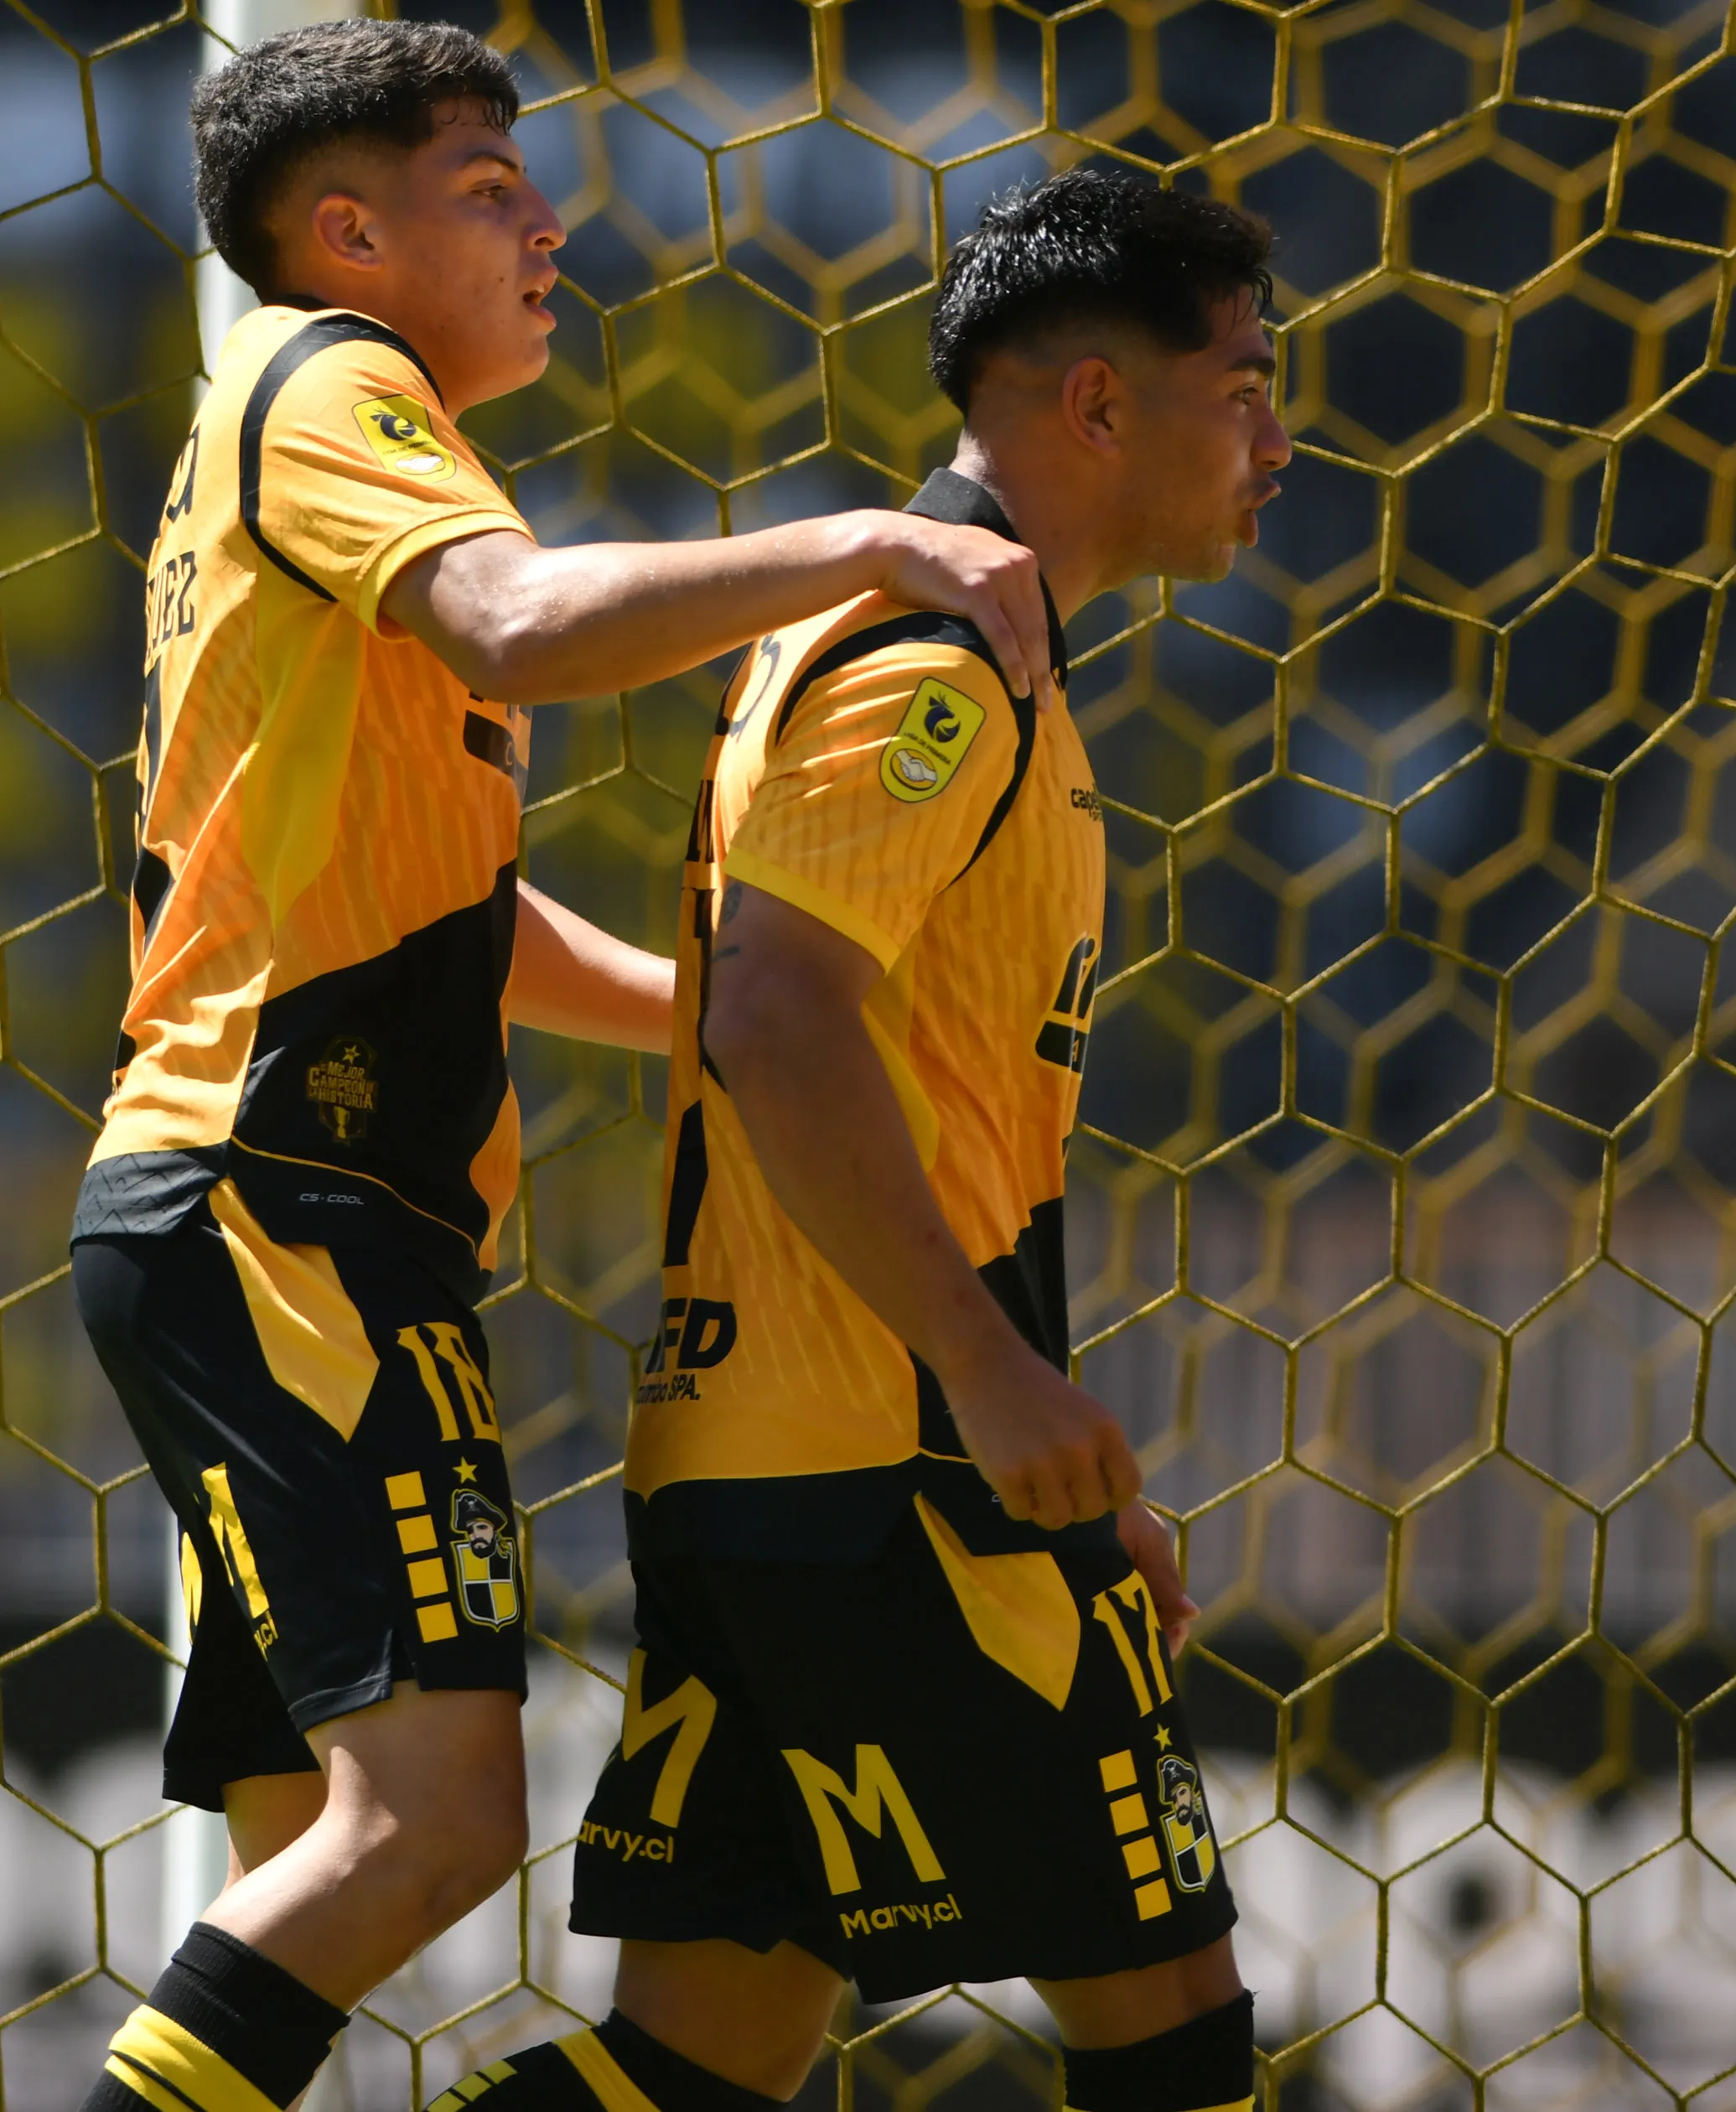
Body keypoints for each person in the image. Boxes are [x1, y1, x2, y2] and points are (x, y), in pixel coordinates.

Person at [76, 23, 1061, 2112]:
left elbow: (464, 919)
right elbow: (522, 622)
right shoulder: (335, 385)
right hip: (288, 1195)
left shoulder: (307, 444)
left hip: (248, 1196)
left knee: (312, 1869)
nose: (548, 220)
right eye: (483, 187)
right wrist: (870, 548)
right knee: (432, 1821)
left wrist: (720, 1027)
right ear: (344, 233)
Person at [419, 169, 1289, 2112]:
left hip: (786, 1461)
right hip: (888, 1462)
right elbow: (776, 1019)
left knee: (693, 2064)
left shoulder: (965, 650)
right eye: (1241, 383)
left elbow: (825, 1046)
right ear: (1091, 405)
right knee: (1181, 2048)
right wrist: (988, 1378)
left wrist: (1030, 1426)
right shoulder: (930, 673)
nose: (1274, 438)